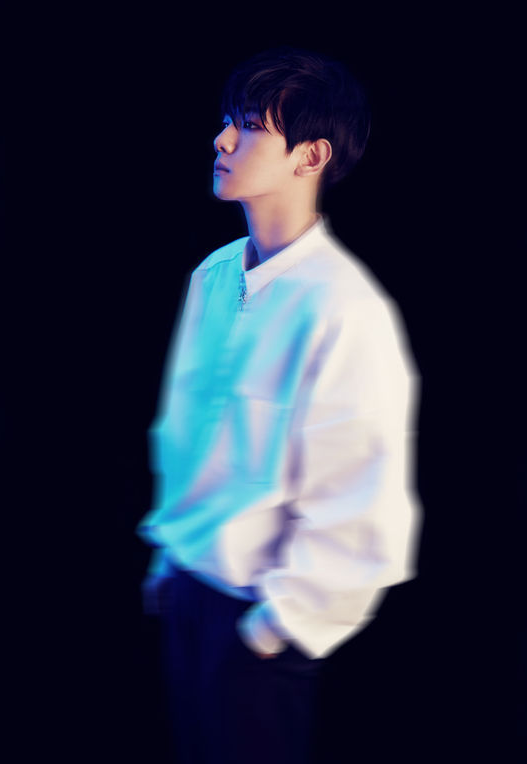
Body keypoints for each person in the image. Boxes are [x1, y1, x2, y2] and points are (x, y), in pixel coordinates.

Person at [136, 45, 422, 764]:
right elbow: (185, 432)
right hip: (187, 598)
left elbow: (362, 501)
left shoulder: (344, 308)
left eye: (248, 126)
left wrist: (273, 629)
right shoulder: (213, 274)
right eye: (225, 121)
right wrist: (170, 559)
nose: (221, 140)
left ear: (311, 156)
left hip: (259, 626)